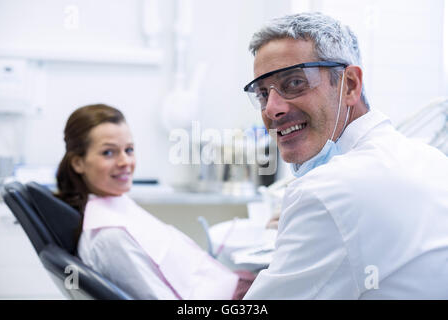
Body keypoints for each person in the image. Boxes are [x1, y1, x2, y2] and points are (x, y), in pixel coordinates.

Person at [242, 12, 448, 299]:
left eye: (294, 83)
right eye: (263, 93)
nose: (271, 109)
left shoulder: (325, 193)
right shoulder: (433, 160)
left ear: (349, 84)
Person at [56, 104, 254, 300]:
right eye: (109, 152)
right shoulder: (109, 236)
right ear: (78, 163)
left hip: (224, 285)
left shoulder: (115, 205)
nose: (125, 161)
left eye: (129, 150)